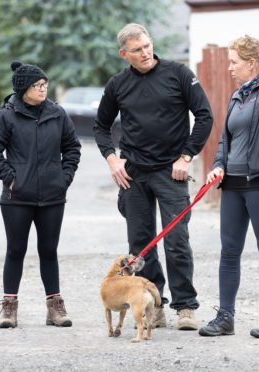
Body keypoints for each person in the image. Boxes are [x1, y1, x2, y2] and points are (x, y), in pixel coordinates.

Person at [93, 23, 214, 330]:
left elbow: (204, 115)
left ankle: (186, 306)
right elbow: (101, 126)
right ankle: (154, 305)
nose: (145, 53)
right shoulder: (118, 84)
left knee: (176, 241)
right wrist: (112, 159)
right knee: (141, 247)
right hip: (132, 174)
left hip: (170, 172)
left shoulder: (179, 74)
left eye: (147, 46)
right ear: (124, 54)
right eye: (137, 50)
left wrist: (187, 156)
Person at [198, 36, 259, 338]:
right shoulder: (237, 95)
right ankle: (225, 316)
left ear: (251, 64)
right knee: (229, 251)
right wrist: (218, 165)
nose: (229, 68)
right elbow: (226, 139)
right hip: (233, 184)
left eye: (234, 62)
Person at [0, 61, 81, 329]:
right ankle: (9, 309)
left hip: (52, 196)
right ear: (23, 88)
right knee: (16, 250)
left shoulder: (57, 114)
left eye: (45, 84)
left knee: (49, 250)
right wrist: (11, 178)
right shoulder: (6, 116)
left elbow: (72, 148)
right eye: (38, 85)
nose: (43, 89)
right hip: (17, 198)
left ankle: (55, 309)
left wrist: (64, 178)